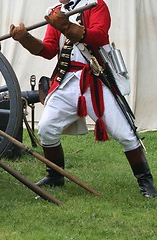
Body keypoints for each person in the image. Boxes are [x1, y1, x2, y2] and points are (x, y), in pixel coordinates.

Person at [10, 0, 157, 198]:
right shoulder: (55, 12)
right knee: (46, 129)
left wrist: (66, 25)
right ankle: (55, 176)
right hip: (64, 81)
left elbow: (98, 36)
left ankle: (145, 183)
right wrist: (25, 38)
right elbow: (48, 50)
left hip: (94, 81)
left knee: (124, 134)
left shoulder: (95, 5)